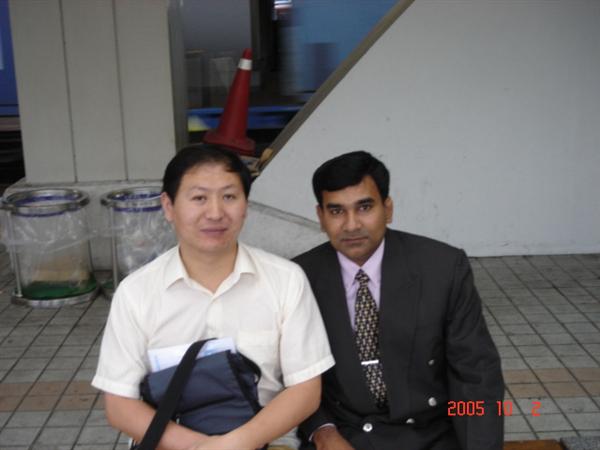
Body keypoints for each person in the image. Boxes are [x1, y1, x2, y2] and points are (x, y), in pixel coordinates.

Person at [92, 143, 335, 450]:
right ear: (168, 206)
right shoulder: (136, 292)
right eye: (199, 198)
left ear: (246, 205)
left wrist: (234, 444)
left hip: (265, 441)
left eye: (229, 197)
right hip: (170, 442)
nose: (216, 212)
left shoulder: (286, 280)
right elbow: (119, 405)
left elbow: (306, 390)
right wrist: (199, 447)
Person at [294, 151, 504, 450]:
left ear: (388, 209)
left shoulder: (442, 268)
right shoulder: (297, 278)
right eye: (337, 211)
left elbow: (476, 375)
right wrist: (323, 432)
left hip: (431, 435)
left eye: (364, 207)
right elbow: (292, 376)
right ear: (321, 216)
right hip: (342, 436)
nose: (351, 225)